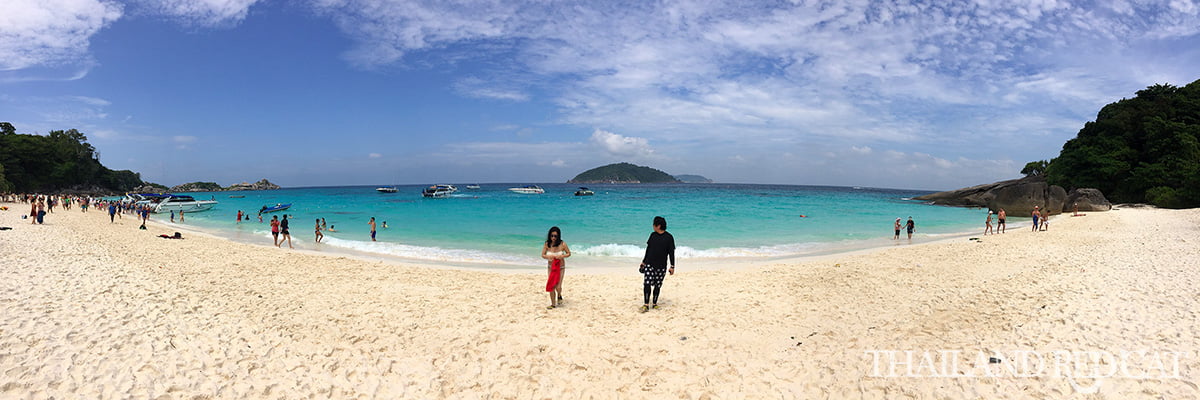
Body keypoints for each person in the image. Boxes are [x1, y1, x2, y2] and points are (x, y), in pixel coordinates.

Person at [639, 216, 676, 313]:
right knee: (647, 283)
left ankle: (654, 303)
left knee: (657, 285)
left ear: (658, 226)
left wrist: (672, 266)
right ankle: (646, 304)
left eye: (654, 224)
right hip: (650, 264)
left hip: (661, 266)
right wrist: (644, 262)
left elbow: (671, 253)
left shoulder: (669, 237)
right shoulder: (652, 235)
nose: (653, 226)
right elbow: (648, 250)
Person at [541, 226, 571, 309]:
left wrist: (562, 256)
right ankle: (553, 304)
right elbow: (542, 255)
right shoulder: (547, 244)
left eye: (555, 236)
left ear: (558, 236)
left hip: (560, 267)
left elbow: (569, 253)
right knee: (551, 285)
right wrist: (548, 257)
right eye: (552, 236)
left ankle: (559, 295)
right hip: (551, 267)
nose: (553, 238)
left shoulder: (562, 244)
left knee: (558, 286)